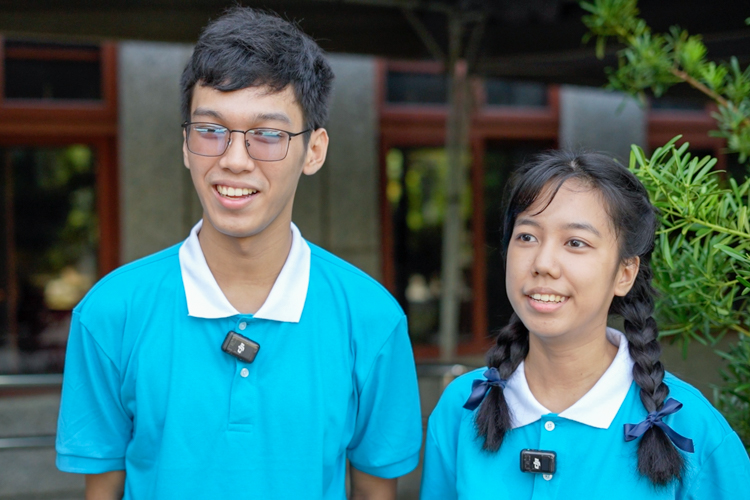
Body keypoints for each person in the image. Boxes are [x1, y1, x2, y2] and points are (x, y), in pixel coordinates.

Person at [55, 7, 422, 499]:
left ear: (314, 150)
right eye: (211, 129)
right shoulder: (109, 313)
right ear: (185, 143)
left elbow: (376, 491)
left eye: (267, 135)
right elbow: (102, 490)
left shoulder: (372, 319)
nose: (233, 160)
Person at [420, 150, 750, 499]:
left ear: (625, 273)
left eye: (575, 243)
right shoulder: (462, 406)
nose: (543, 263)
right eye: (527, 237)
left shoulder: (691, 428)